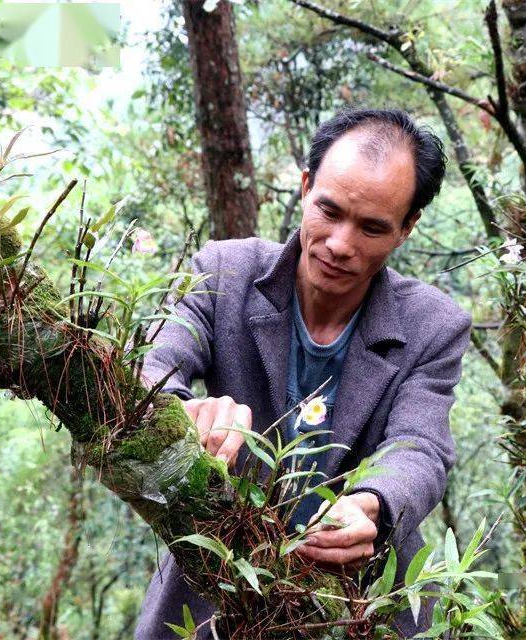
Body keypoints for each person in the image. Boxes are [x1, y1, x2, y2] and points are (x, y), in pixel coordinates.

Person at [134, 108, 473, 639]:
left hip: (360, 605)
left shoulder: (435, 325)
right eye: (329, 210)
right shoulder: (224, 271)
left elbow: (421, 445)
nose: (341, 244)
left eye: (372, 228)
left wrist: (374, 506)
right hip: (215, 589)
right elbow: (156, 357)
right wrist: (183, 409)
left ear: (407, 228)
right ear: (306, 186)